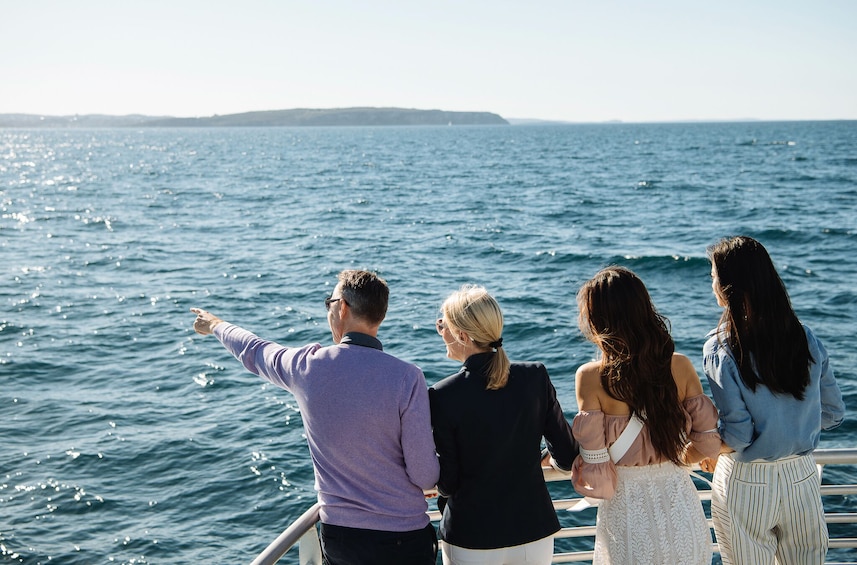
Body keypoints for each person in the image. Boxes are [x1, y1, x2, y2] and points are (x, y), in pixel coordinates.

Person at [190, 269, 440, 565]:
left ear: (343, 307)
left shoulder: (305, 367)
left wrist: (216, 325)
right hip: (406, 538)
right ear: (380, 316)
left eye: (329, 302)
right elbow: (424, 476)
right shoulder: (407, 377)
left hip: (344, 539)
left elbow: (254, 350)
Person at [701, 236, 845, 565]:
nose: (711, 283)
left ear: (728, 286)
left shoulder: (721, 348)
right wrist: (796, 423)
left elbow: (739, 435)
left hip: (747, 481)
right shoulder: (804, 336)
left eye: (713, 276)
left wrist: (705, 447)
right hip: (802, 477)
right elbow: (834, 413)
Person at [571, 266, 720, 565]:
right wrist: (675, 458)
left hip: (627, 518)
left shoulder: (590, 377)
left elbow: (598, 472)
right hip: (681, 511)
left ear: (598, 320)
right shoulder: (680, 366)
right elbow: (708, 445)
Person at [428, 285, 578, 565]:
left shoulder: (442, 395)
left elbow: (448, 483)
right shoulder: (535, 377)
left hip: (472, 536)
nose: (442, 334)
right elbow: (568, 457)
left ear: (462, 335)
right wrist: (537, 457)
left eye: (442, 326)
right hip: (534, 530)